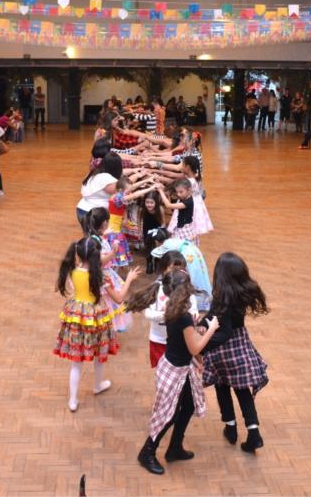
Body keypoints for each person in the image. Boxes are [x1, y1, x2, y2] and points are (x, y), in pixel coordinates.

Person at [137, 270, 220, 475]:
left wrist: (197, 357)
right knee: (168, 415)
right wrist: (211, 329)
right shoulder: (183, 316)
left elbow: (185, 342)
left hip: (180, 367)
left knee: (188, 405)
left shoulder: (174, 307)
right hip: (175, 371)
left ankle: (174, 447)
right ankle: (147, 453)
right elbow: (194, 347)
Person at [199, 252, 269, 453]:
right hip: (240, 345)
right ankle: (254, 432)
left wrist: (201, 347)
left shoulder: (222, 298)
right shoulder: (239, 294)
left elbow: (224, 331)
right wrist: (202, 322)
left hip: (223, 349)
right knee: (242, 390)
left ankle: (230, 428)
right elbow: (214, 316)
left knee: (222, 386)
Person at [53, 237, 125, 412]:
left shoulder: (73, 271)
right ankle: (98, 385)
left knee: (76, 363)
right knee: (99, 355)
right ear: (96, 255)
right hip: (96, 317)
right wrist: (129, 279)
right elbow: (119, 298)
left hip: (76, 316)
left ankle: (72, 400)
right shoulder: (100, 277)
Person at [76, 153, 122, 224]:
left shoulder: (96, 172)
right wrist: (137, 176)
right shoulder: (106, 178)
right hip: (92, 214)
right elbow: (122, 188)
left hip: (83, 209)